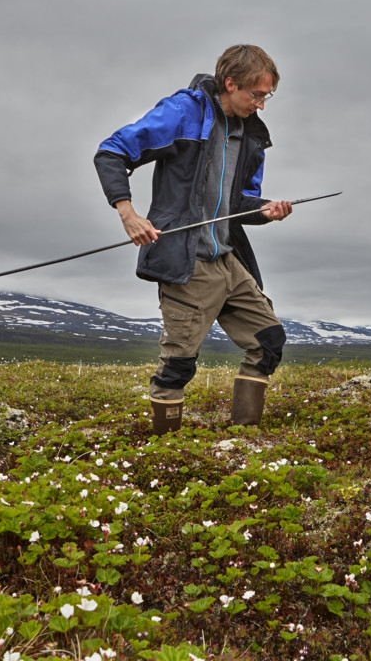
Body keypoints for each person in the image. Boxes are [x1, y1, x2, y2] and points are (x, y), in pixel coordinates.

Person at [94, 44, 293, 435]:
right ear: (230, 83)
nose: (262, 105)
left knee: (269, 341)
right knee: (179, 365)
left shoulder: (252, 135)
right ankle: (166, 452)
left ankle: (243, 437)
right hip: (187, 262)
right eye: (256, 95)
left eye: (267, 96)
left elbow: (238, 202)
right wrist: (128, 213)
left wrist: (265, 210)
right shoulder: (184, 111)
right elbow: (112, 152)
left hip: (226, 257)